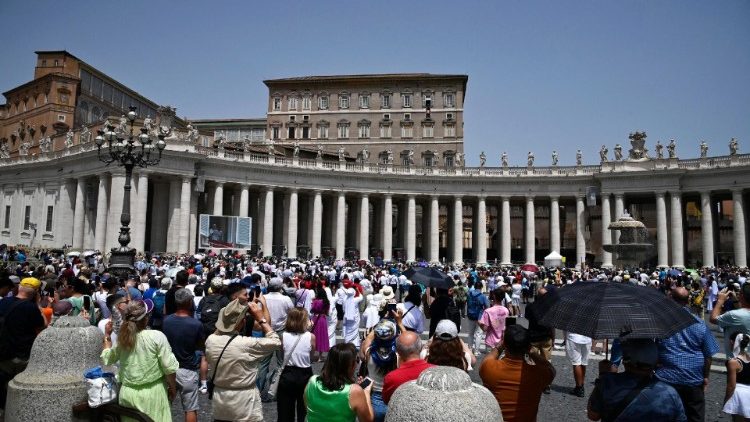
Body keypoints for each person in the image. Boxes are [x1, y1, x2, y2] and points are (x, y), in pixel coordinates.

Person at [101, 299, 179, 421]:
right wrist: (173, 389)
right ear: (146, 318)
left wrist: (107, 336)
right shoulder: (157, 337)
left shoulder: (122, 339)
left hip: (127, 395)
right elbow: (169, 368)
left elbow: (107, 358)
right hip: (153, 394)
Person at [205, 298, 281, 422]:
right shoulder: (245, 344)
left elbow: (220, 331)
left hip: (221, 399)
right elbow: (275, 341)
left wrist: (227, 320)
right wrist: (261, 318)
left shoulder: (210, 340)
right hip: (244, 401)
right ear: (242, 322)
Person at [657, 287, 720, 422]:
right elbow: (708, 355)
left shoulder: (661, 323)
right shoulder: (700, 324)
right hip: (693, 378)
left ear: (670, 300)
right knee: (695, 416)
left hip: (666, 377)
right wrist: (706, 377)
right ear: (688, 301)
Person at [588, 338, 687, 421]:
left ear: (625, 361)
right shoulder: (670, 393)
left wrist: (603, 376)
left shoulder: (608, 384)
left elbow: (593, 415)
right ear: (655, 362)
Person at [480, 325, 555, 422]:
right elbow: (550, 369)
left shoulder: (489, 368)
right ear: (528, 346)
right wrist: (532, 352)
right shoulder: (539, 373)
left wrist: (500, 346)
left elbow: (487, 359)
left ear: (505, 345)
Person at [0, 277, 45, 412]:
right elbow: (42, 327)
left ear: (19, 288)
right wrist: (38, 305)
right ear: (36, 292)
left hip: (3, 353)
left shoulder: (3, 302)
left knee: (3, 386)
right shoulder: (31, 308)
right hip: (22, 356)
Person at [162, 288, 204, 422]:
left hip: (169, 368)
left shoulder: (166, 321)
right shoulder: (196, 324)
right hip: (188, 369)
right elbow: (200, 347)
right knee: (190, 408)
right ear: (189, 302)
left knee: (165, 406)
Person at [305, 343, 374, 422]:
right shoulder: (355, 391)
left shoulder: (312, 381)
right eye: (356, 360)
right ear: (350, 365)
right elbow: (368, 420)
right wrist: (366, 393)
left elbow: (309, 407)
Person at [277, 307, 316, 422]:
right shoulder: (311, 337)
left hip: (288, 372)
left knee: (284, 409)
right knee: (303, 410)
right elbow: (312, 357)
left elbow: (282, 353)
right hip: (305, 373)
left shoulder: (283, 336)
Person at [257, 277, 294, 396]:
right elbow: (292, 313)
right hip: (281, 332)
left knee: (263, 363)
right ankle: (276, 388)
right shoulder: (285, 299)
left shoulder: (263, 298)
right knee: (281, 362)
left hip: (266, 330)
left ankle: (259, 388)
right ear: (280, 287)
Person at [360, 318, 401, 422]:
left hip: (373, 395)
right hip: (391, 396)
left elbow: (368, 340)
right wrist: (399, 323)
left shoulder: (368, 352)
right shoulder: (398, 355)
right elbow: (411, 346)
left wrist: (379, 327)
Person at [381, 330, 433, 404]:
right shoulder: (434, 371)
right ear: (421, 348)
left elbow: (386, 401)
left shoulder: (392, 378)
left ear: (398, 352)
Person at [711, 283, 750, 358]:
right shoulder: (739, 314)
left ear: (742, 295)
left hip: (737, 361)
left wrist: (720, 300)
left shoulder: (733, 315)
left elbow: (713, 318)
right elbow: (743, 311)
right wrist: (736, 301)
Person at [724, 332, 750, 421]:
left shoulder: (733, 362)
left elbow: (731, 385)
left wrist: (726, 400)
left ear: (732, 342)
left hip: (739, 394)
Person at [466, 280, 489, 354]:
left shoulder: (469, 294)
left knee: (470, 333)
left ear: (475, 286)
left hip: (470, 315)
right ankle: (476, 351)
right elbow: (487, 306)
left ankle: (469, 349)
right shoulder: (482, 296)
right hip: (480, 317)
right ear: (481, 287)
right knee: (479, 334)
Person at [566, 330, 592, 397]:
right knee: (583, 363)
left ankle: (579, 387)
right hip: (587, 338)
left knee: (576, 363)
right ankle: (581, 385)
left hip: (573, 337)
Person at [310, 286, 330, 362]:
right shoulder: (326, 302)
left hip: (316, 318)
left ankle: (312, 354)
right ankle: (320, 356)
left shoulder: (315, 301)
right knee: (322, 336)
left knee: (315, 335)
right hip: (322, 319)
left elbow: (312, 310)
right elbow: (327, 312)